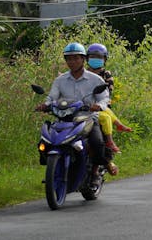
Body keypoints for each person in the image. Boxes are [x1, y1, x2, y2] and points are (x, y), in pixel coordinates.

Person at [35, 42, 115, 175]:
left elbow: (105, 98)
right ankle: (54, 165)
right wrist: (45, 105)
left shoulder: (95, 79)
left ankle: (102, 166)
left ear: (83, 59)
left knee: (97, 142)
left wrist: (98, 106)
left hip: (87, 118)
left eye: (76, 58)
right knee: (44, 143)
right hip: (64, 119)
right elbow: (52, 97)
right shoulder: (60, 80)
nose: (72, 62)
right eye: (69, 59)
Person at [85, 43, 133, 158]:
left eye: (99, 57)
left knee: (106, 113)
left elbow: (109, 88)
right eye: (93, 57)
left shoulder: (106, 74)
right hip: (85, 105)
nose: (96, 60)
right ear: (87, 59)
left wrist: (100, 92)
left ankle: (110, 142)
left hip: (100, 105)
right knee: (106, 115)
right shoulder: (83, 74)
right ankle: (119, 125)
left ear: (104, 59)